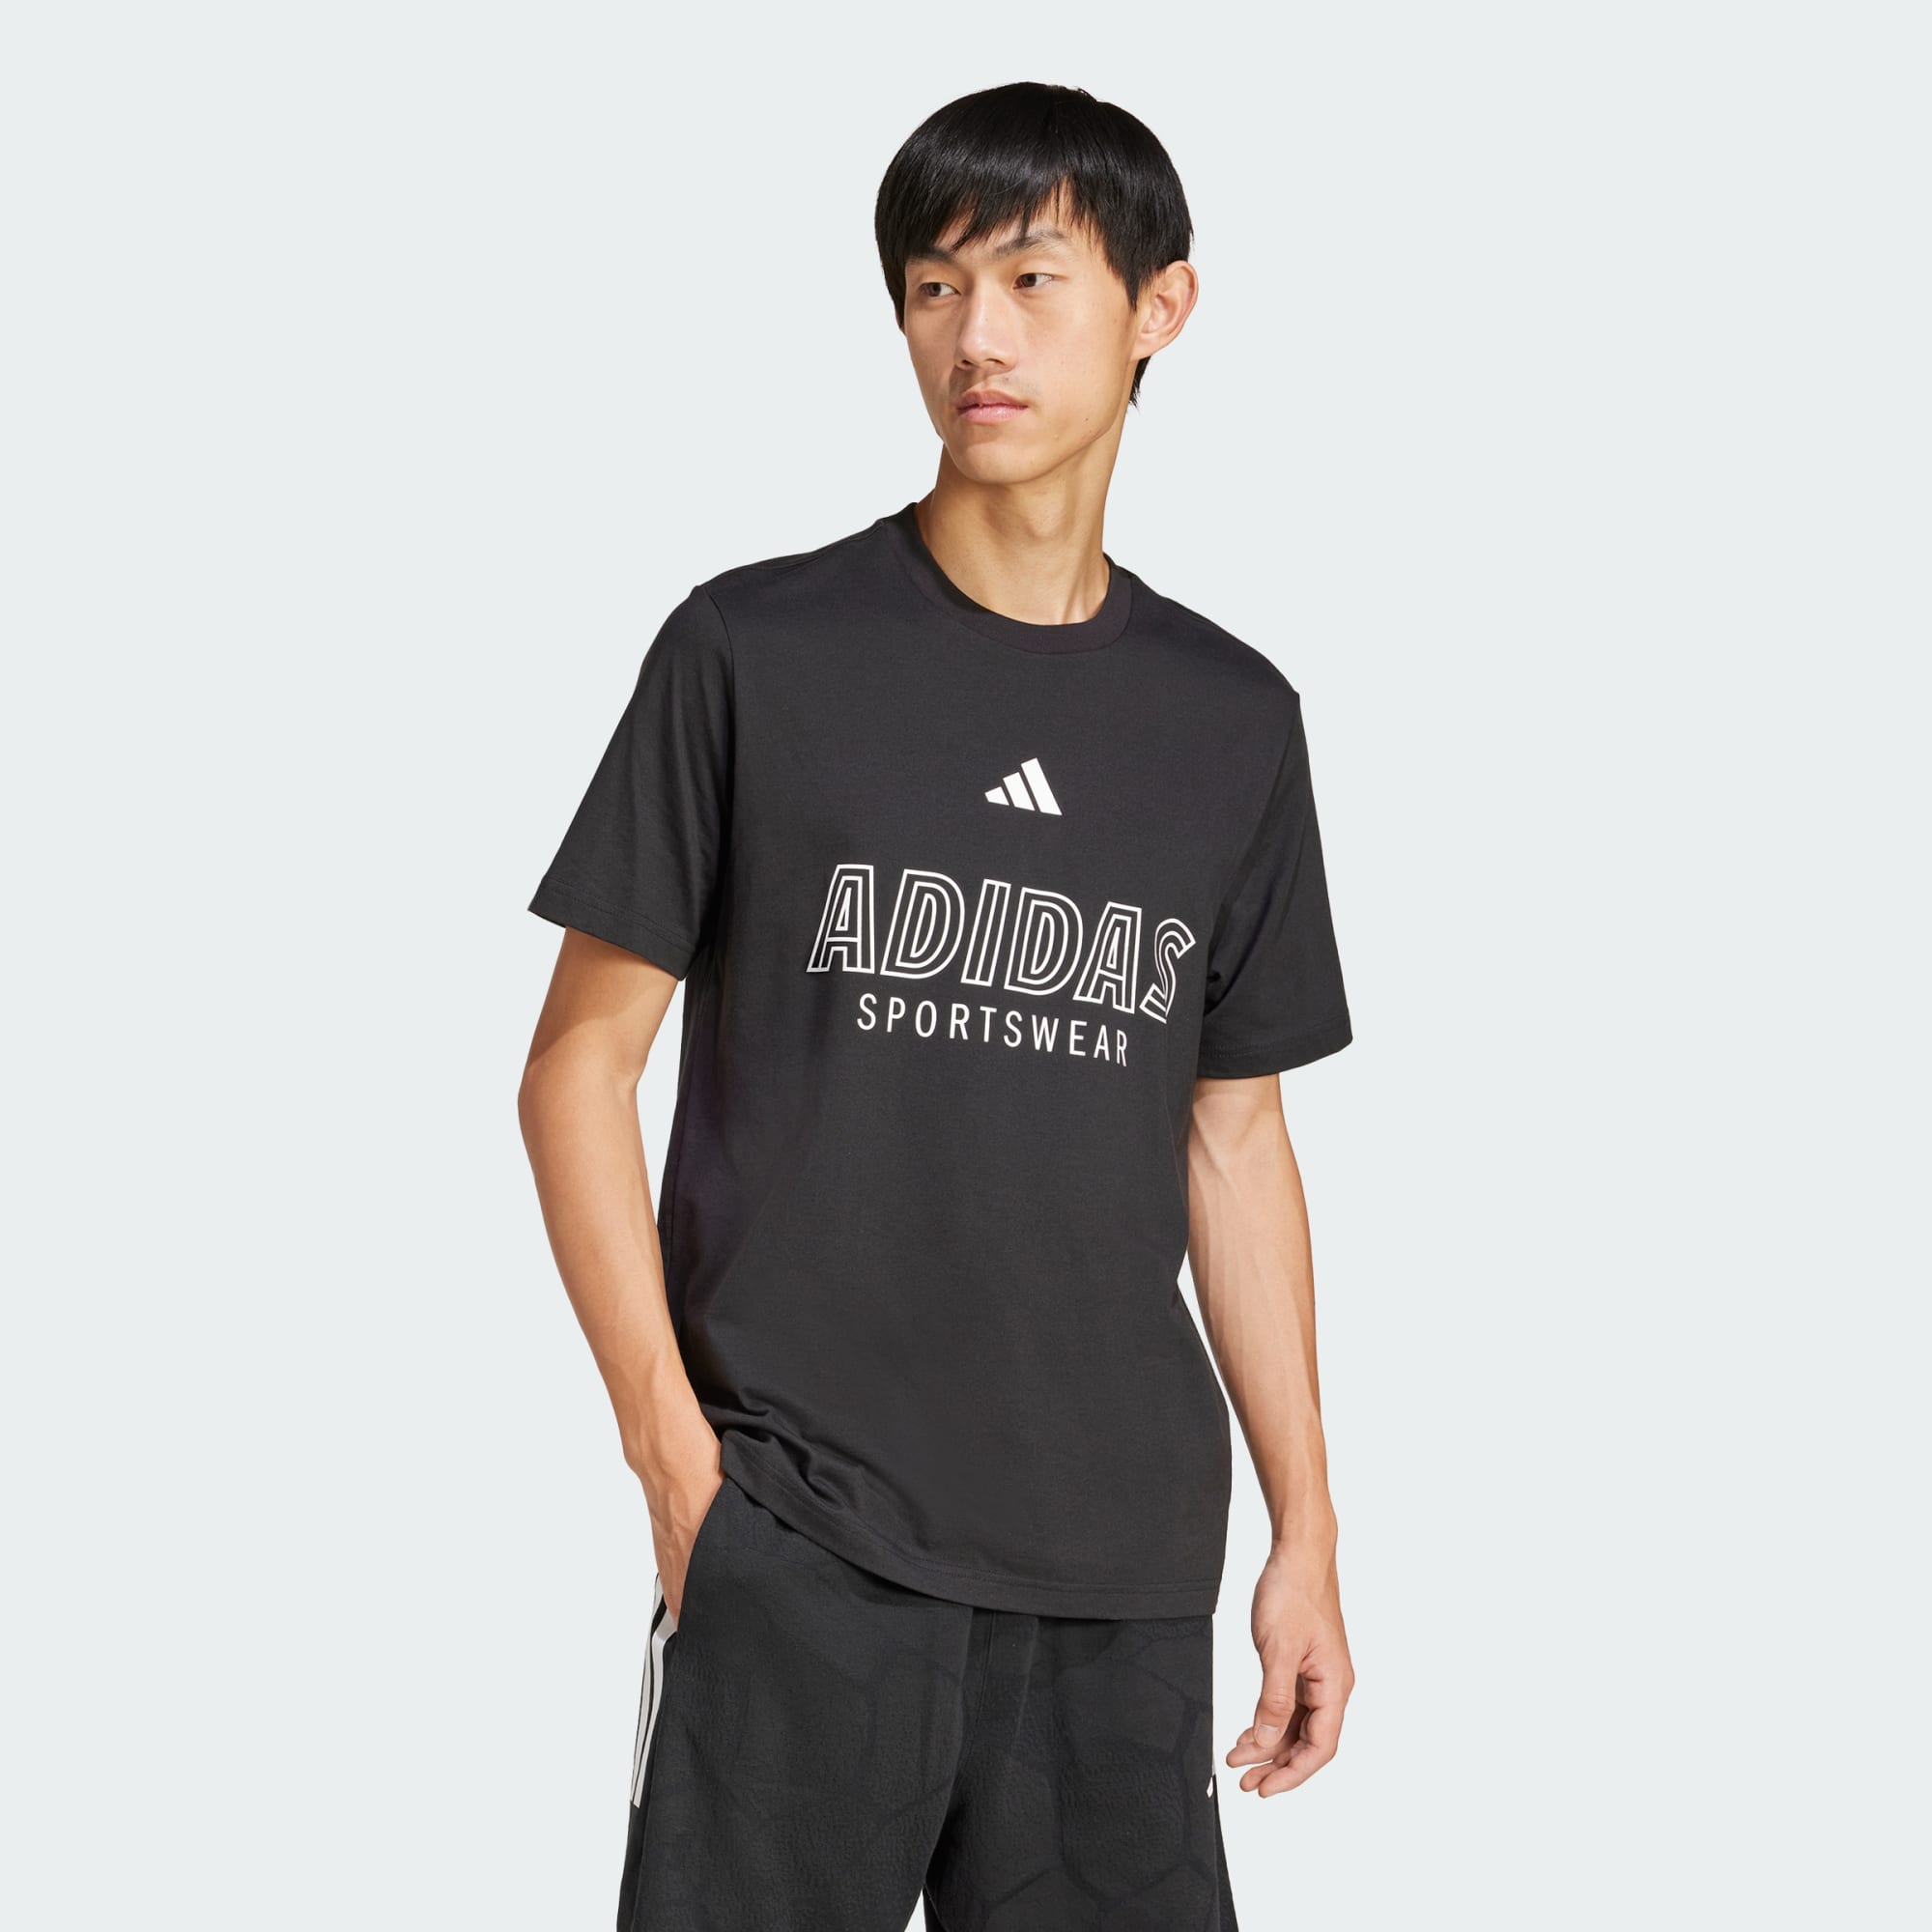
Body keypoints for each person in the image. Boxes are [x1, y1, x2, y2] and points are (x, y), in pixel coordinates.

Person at [518, 79, 1355, 1932]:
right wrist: (675, 1465)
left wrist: (1304, 1530)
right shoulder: (755, 651)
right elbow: (578, 1067)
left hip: (1122, 1572)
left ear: (1160, 306)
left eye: (1034, 279)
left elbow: (1235, 1140)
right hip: (802, 1541)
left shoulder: (1231, 722)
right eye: (933, 285)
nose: (977, 336)